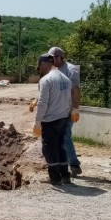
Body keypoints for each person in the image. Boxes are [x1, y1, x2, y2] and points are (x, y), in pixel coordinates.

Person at [33, 53, 72, 185]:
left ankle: (55, 177)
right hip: (63, 118)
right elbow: (68, 100)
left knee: (50, 148)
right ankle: (65, 175)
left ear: (44, 64)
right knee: (61, 146)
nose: (40, 70)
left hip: (50, 121)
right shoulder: (66, 79)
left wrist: (37, 122)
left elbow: (43, 103)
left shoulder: (46, 80)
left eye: (40, 67)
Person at [48, 46, 82, 176]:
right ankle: (63, 164)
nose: (51, 60)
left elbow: (76, 90)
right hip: (55, 110)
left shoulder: (70, 69)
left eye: (53, 57)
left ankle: (74, 165)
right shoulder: (52, 70)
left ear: (60, 57)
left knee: (65, 136)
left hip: (67, 109)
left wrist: (75, 108)